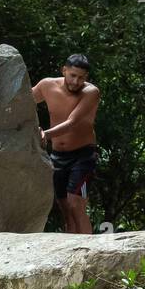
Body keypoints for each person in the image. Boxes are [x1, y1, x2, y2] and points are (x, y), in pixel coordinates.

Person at [32, 54, 101, 234]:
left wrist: (44, 134)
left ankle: (89, 251)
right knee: (64, 207)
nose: (76, 81)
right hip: (57, 156)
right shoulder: (47, 85)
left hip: (83, 156)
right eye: (72, 75)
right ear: (64, 70)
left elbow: (72, 122)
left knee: (75, 204)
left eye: (81, 78)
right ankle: (71, 252)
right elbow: (23, 102)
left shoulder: (91, 92)